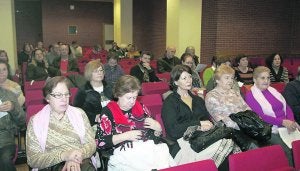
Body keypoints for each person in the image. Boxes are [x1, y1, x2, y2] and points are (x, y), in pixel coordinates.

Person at [162, 65, 237, 168]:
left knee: (229, 144)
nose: (189, 80)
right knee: (224, 147)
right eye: (184, 78)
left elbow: (207, 120)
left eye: (189, 77)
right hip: (182, 141)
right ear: (175, 82)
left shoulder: (198, 100)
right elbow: (173, 130)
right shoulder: (170, 102)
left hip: (202, 137)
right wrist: (198, 124)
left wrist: (206, 125)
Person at [95, 75, 175, 171]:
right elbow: (100, 142)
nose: (132, 101)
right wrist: (125, 136)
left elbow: (153, 139)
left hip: (146, 150)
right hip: (124, 154)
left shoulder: (141, 107)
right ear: (118, 95)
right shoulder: (108, 112)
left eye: (135, 97)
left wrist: (158, 129)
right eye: (129, 98)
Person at [26, 76, 96, 170]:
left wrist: (76, 155)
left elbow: (91, 144)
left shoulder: (79, 114)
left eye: (66, 94)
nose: (64, 99)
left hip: (80, 160)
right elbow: (33, 159)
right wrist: (64, 156)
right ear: (47, 98)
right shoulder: (35, 122)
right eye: (58, 95)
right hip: (51, 165)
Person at [245, 66, 297, 166]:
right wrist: (283, 122)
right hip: (269, 129)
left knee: (297, 145)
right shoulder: (250, 95)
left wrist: (291, 121)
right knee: (287, 149)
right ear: (255, 79)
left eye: (268, 78)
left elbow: (286, 107)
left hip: (286, 124)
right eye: (262, 78)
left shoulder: (273, 90)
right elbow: (260, 116)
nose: (266, 81)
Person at [205, 64, 251, 130]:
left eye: (232, 78)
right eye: (227, 78)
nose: (230, 81)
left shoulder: (234, 92)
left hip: (246, 126)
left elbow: (246, 108)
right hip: (229, 131)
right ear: (217, 80)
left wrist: (253, 121)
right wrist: (245, 127)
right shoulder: (211, 96)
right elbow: (222, 121)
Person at [74, 59, 113, 127]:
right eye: (96, 71)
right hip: (92, 124)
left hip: (112, 121)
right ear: (89, 73)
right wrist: (94, 117)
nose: (100, 73)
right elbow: (77, 111)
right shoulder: (83, 91)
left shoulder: (110, 87)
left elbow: (118, 104)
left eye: (101, 70)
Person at [0, 86, 25, 171]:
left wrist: (13, 108)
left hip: (4, 140)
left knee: (5, 160)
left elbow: (22, 122)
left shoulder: (8, 95)